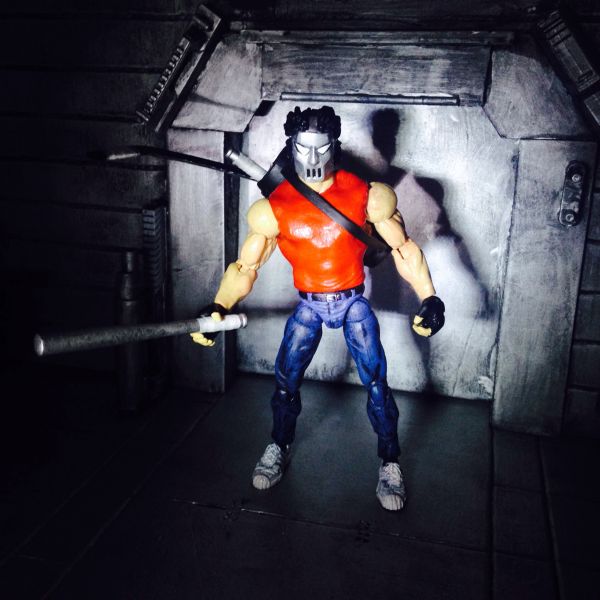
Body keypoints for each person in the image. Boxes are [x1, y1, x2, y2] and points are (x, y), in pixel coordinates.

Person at [191, 106, 445, 511]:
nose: (312, 158)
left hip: (352, 303)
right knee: (285, 381)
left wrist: (430, 296)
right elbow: (245, 266)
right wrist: (219, 305)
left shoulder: (368, 196)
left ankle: (390, 462)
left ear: (335, 146)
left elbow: (403, 248)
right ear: (290, 146)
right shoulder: (274, 207)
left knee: (377, 385)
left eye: (321, 148)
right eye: (303, 148)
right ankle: (279, 444)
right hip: (308, 306)